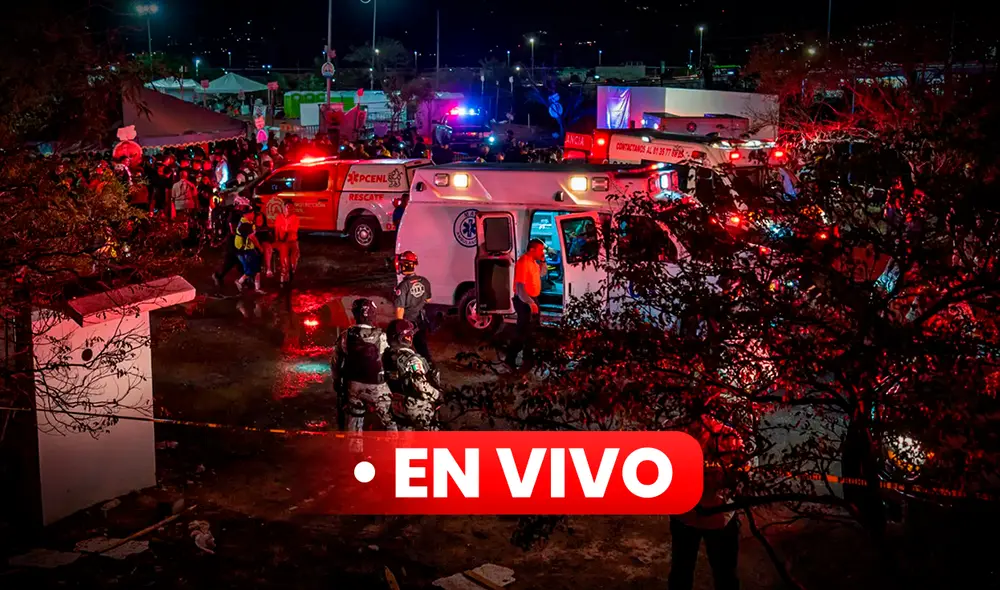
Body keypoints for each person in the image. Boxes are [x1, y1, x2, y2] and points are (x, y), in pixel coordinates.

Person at [668, 416, 743, 590]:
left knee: (682, 571)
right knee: (725, 574)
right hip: (719, 515)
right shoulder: (730, 435)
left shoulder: (674, 429)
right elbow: (740, 478)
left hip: (686, 514)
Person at [331, 299, 397, 452]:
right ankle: (393, 449)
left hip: (353, 385)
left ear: (355, 315)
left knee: (355, 418)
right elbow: (389, 360)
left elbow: (335, 362)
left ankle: (355, 454)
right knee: (390, 418)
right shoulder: (382, 336)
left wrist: (337, 380)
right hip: (377, 385)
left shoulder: (345, 336)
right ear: (373, 315)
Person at [383, 319, 441, 431]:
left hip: (397, 406)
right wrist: (438, 395)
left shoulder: (386, 356)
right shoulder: (411, 360)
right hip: (415, 408)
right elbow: (421, 386)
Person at [504, 238, 546, 370]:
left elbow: (543, 273)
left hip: (532, 299)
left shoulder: (533, 262)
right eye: (540, 250)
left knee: (531, 331)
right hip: (524, 301)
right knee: (522, 332)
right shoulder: (523, 262)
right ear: (532, 250)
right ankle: (510, 359)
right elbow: (520, 287)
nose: (542, 252)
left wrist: (543, 261)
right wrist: (530, 303)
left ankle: (528, 360)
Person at [393, 251, 434, 363]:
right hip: (420, 322)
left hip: (408, 324)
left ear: (403, 265)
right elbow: (428, 299)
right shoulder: (425, 281)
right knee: (422, 348)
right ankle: (429, 367)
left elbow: (400, 309)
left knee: (404, 351)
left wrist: (399, 328)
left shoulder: (403, 286)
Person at [234, 214, 266, 294]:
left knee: (257, 268)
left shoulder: (250, 223)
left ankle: (257, 287)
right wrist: (259, 247)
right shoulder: (245, 223)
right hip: (245, 250)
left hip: (250, 249)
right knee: (250, 270)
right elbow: (252, 237)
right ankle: (239, 281)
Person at [273, 199, 301, 286]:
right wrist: (277, 239)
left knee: (293, 262)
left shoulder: (295, 218)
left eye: (291, 207)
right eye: (287, 207)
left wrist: (285, 231)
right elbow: (277, 229)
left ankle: (292, 272)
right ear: (284, 207)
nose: (289, 208)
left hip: (292, 241)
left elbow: (293, 230)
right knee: (284, 261)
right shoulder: (279, 217)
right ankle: (283, 280)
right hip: (283, 243)